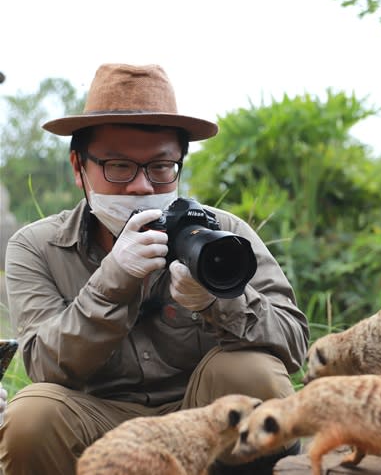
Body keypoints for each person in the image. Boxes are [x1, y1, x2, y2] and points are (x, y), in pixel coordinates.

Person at [0, 63, 310, 475]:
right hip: (97, 420)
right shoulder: (36, 246)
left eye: (161, 167)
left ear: (180, 163)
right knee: (30, 417)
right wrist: (112, 282)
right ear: (79, 168)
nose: (142, 187)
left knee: (253, 373)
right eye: (118, 166)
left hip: (206, 420)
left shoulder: (226, 233)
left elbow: (293, 345)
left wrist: (220, 300)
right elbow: (42, 366)